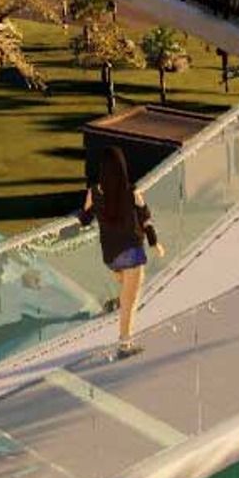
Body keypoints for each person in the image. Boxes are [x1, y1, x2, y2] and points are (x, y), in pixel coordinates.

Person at [77, 146, 162, 358]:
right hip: (132, 254)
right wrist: (154, 243)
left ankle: (117, 302)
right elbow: (145, 219)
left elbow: (84, 219)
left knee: (127, 291)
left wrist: (89, 207)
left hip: (111, 258)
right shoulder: (132, 192)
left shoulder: (94, 192)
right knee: (131, 302)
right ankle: (125, 344)